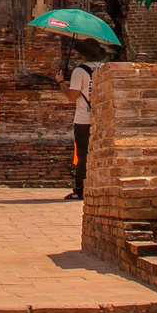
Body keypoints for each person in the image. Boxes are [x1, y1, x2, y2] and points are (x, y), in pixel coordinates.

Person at [64, 47, 98, 200]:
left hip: (84, 119)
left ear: (83, 55)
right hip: (102, 118)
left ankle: (80, 189)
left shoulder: (80, 71)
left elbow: (72, 95)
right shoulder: (105, 68)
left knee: (83, 155)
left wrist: (60, 82)